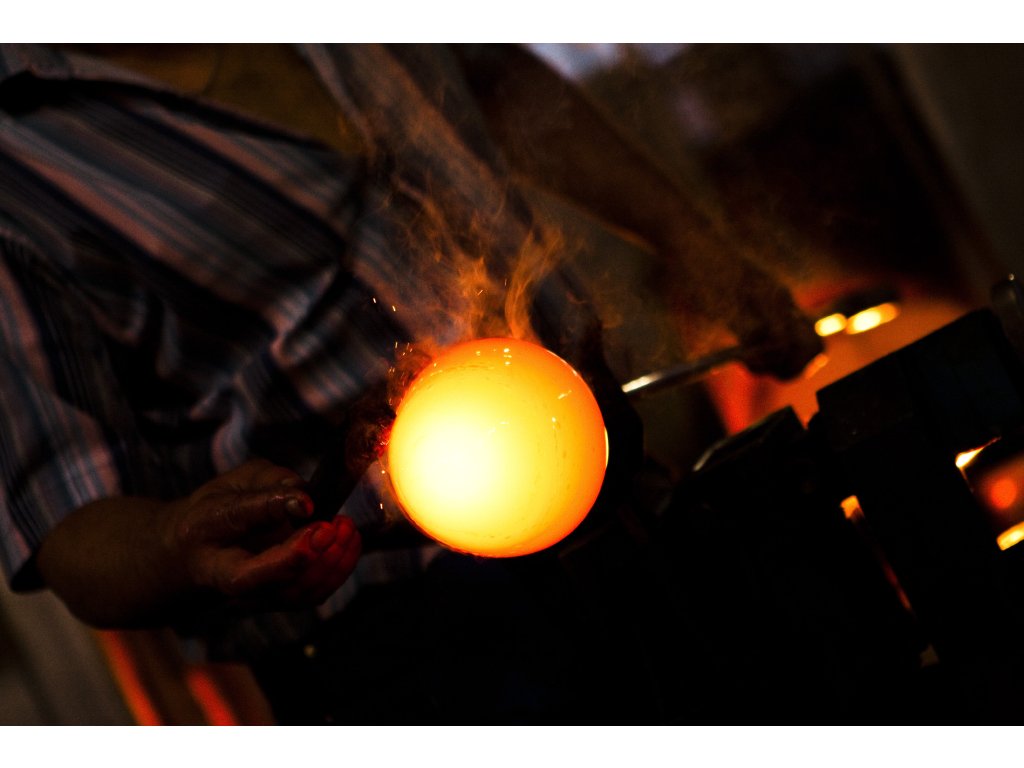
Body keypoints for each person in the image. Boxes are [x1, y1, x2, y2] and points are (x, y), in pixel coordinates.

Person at [0, 43, 821, 721]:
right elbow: (70, 530)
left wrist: (688, 240)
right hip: (409, 651)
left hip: (615, 499)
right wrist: (177, 542)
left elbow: (491, 78)